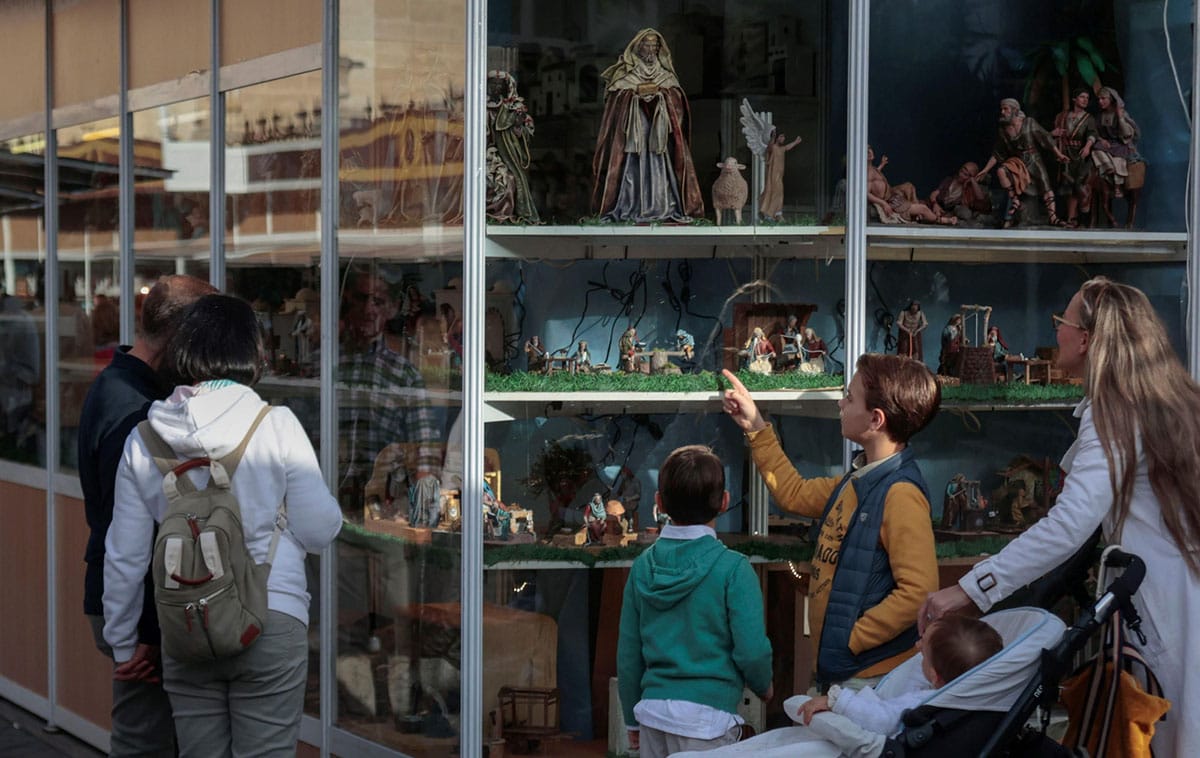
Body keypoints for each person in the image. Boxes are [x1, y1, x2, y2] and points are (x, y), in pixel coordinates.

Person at [919, 277, 1200, 757]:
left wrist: (972, 588)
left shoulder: (1115, 411)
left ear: (1087, 339)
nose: (1059, 332)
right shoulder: (1164, 400)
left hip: (1158, 606)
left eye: (1062, 322)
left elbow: (1069, 524)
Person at [103, 293, 343, 756]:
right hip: (271, 616)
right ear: (252, 353)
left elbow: (126, 555)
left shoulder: (144, 437)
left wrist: (122, 642)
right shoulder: (276, 425)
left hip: (187, 623)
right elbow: (319, 531)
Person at [721, 354, 941, 688]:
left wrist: (852, 638)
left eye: (850, 397)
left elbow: (919, 592)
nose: (841, 402)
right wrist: (755, 426)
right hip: (846, 669)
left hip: (870, 677)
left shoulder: (900, 494)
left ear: (876, 420)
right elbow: (793, 493)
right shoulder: (856, 481)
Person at [77, 274, 215, 757]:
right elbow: (129, 536)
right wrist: (135, 633)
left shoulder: (123, 383)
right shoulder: (134, 409)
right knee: (145, 740)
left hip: (133, 603)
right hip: (136, 607)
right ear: (184, 333)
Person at [617, 445, 773, 758]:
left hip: (652, 716)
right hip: (709, 721)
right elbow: (751, 650)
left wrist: (632, 722)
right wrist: (763, 686)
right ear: (725, 502)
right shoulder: (734, 569)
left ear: (659, 503)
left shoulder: (642, 567)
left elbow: (628, 654)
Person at [339, 269, 443, 522]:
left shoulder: (404, 375)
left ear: (392, 308)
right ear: (347, 301)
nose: (368, 310)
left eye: (378, 301)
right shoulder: (320, 366)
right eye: (361, 299)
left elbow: (425, 448)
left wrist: (422, 515)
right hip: (325, 505)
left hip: (382, 512)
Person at [798, 614, 1003, 736]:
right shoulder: (959, 703)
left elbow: (881, 719)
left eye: (923, 653)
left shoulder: (924, 703)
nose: (916, 645)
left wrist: (837, 701)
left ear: (935, 676)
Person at [591, 28, 704, 223]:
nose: (651, 50)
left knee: (661, 165)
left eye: (655, 46)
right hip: (634, 134)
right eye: (647, 45)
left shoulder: (665, 73)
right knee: (632, 166)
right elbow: (614, 102)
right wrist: (632, 97)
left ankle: (663, 205)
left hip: (659, 136)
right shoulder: (625, 73)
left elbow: (677, 102)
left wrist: (662, 97)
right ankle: (629, 205)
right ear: (638, 47)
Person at [976, 98, 1069, 228]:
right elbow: (998, 153)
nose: (1002, 112)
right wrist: (986, 169)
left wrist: (1058, 154)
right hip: (1017, 162)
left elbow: (1045, 138)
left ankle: (1053, 217)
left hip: (1033, 159)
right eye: (1001, 109)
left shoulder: (1029, 123)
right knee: (1001, 171)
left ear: (1015, 110)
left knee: (1044, 183)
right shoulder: (1003, 130)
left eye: (1006, 109)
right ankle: (1015, 200)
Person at [486, 70, 539, 225]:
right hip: (484, 155)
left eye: (499, 85)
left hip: (505, 155)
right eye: (492, 84)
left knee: (509, 179)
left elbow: (525, 131)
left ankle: (504, 214)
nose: (495, 88)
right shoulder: (479, 107)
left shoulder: (510, 108)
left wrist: (518, 126)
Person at [1051, 87, 1098, 227]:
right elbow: (1052, 135)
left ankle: (1082, 218)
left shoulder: (1088, 118)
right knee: (1068, 188)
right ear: (1074, 99)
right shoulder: (1062, 116)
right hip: (1065, 154)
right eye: (1082, 97)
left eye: (1087, 98)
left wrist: (1088, 146)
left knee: (1080, 185)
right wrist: (1054, 133)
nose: (1085, 100)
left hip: (1081, 155)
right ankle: (1072, 218)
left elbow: (1092, 133)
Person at [1091, 87, 1143, 199]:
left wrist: (1120, 118)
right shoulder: (1100, 116)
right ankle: (1108, 166)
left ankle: (1117, 187)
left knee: (1118, 161)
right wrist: (1101, 140)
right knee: (1096, 149)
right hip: (1106, 145)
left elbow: (1127, 134)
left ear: (1111, 99)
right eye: (1099, 99)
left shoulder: (1122, 114)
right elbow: (1094, 132)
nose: (1100, 101)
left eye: (1103, 98)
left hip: (1120, 145)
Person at [759, 130, 803, 221]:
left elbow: (787, 147)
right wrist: (772, 137)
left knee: (779, 193)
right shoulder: (773, 147)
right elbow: (769, 148)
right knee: (774, 192)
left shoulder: (781, 149)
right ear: (777, 137)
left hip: (779, 176)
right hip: (773, 177)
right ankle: (770, 213)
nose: (783, 138)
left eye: (784, 137)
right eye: (781, 136)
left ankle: (778, 213)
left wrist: (795, 142)